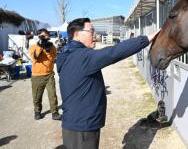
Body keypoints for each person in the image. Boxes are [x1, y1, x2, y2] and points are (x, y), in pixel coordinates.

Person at [56, 18, 159, 149]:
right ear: (77, 34)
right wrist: (146, 39)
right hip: (82, 128)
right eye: (91, 31)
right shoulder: (82, 57)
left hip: (76, 124)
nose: (94, 34)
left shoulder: (68, 55)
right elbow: (113, 53)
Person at [28, 28, 61, 120]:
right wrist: (40, 46)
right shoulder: (33, 46)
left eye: (46, 35)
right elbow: (35, 58)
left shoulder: (52, 46)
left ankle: (54, 112)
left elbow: (52, 59)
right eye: (43, 35)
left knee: (52, 95)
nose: (45, 37)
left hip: (49, 74)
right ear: (38, 36)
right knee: (37, 96)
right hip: (37, 76)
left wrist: (47, 50)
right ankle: (37, 111)